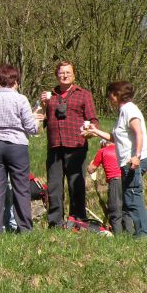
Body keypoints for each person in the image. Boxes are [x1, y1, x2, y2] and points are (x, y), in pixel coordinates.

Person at [82, 81, 147, 236]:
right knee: (132, 197)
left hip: (133, 161)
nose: (109, 99)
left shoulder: (129, 109)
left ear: (116, 94)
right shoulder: (123, 111)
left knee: (132, 198)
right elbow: (114, 138)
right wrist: (95, 131)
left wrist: (136, 156)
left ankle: (144, 233)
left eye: (110, 95)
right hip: (126, 162)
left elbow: (139, 132)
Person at [0, 63, 39, 235]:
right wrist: (37, 118)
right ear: (15, 80)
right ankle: (25, 228)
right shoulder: (20, 99)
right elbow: (32, 128)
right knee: (21, 188)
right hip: (17, 146)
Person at [39, 60, 98, 227]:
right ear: (56, 76)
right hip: (55, 147)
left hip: (77, 146)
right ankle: (55, 222)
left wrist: (90, 131)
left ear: (74, 75)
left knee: (76, 185)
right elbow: (41, 120)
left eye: (67, 73)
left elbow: (93, 119)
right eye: (61, 73)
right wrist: (43, 106)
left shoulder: (84, 94)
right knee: (54, 186)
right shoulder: (50, 96)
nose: (64, 76)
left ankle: (78, 220)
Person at [87, 139, 133, 234]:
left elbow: (91, 169)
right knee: (126, 207)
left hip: (115, 180)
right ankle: (129, 233)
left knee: (115, 208)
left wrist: (94, 159)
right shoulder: (122, 148)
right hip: (127, 179)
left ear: (104, 143)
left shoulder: (103, 151)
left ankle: (118, 235)